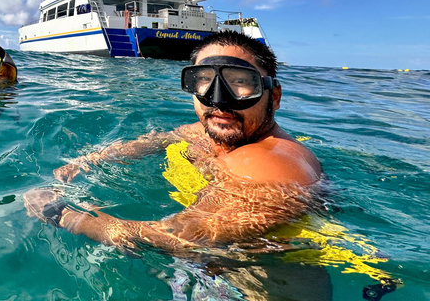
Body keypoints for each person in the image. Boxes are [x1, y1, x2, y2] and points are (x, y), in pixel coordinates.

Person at [24, 30, 322, 253]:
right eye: (204, 81)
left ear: (275, 97)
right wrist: (92, 160)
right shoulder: (208, 131)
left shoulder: (271, 162)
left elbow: (183, 238)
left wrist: (64, 214)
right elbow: (161, 139)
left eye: (241, 83)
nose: (218, 100)